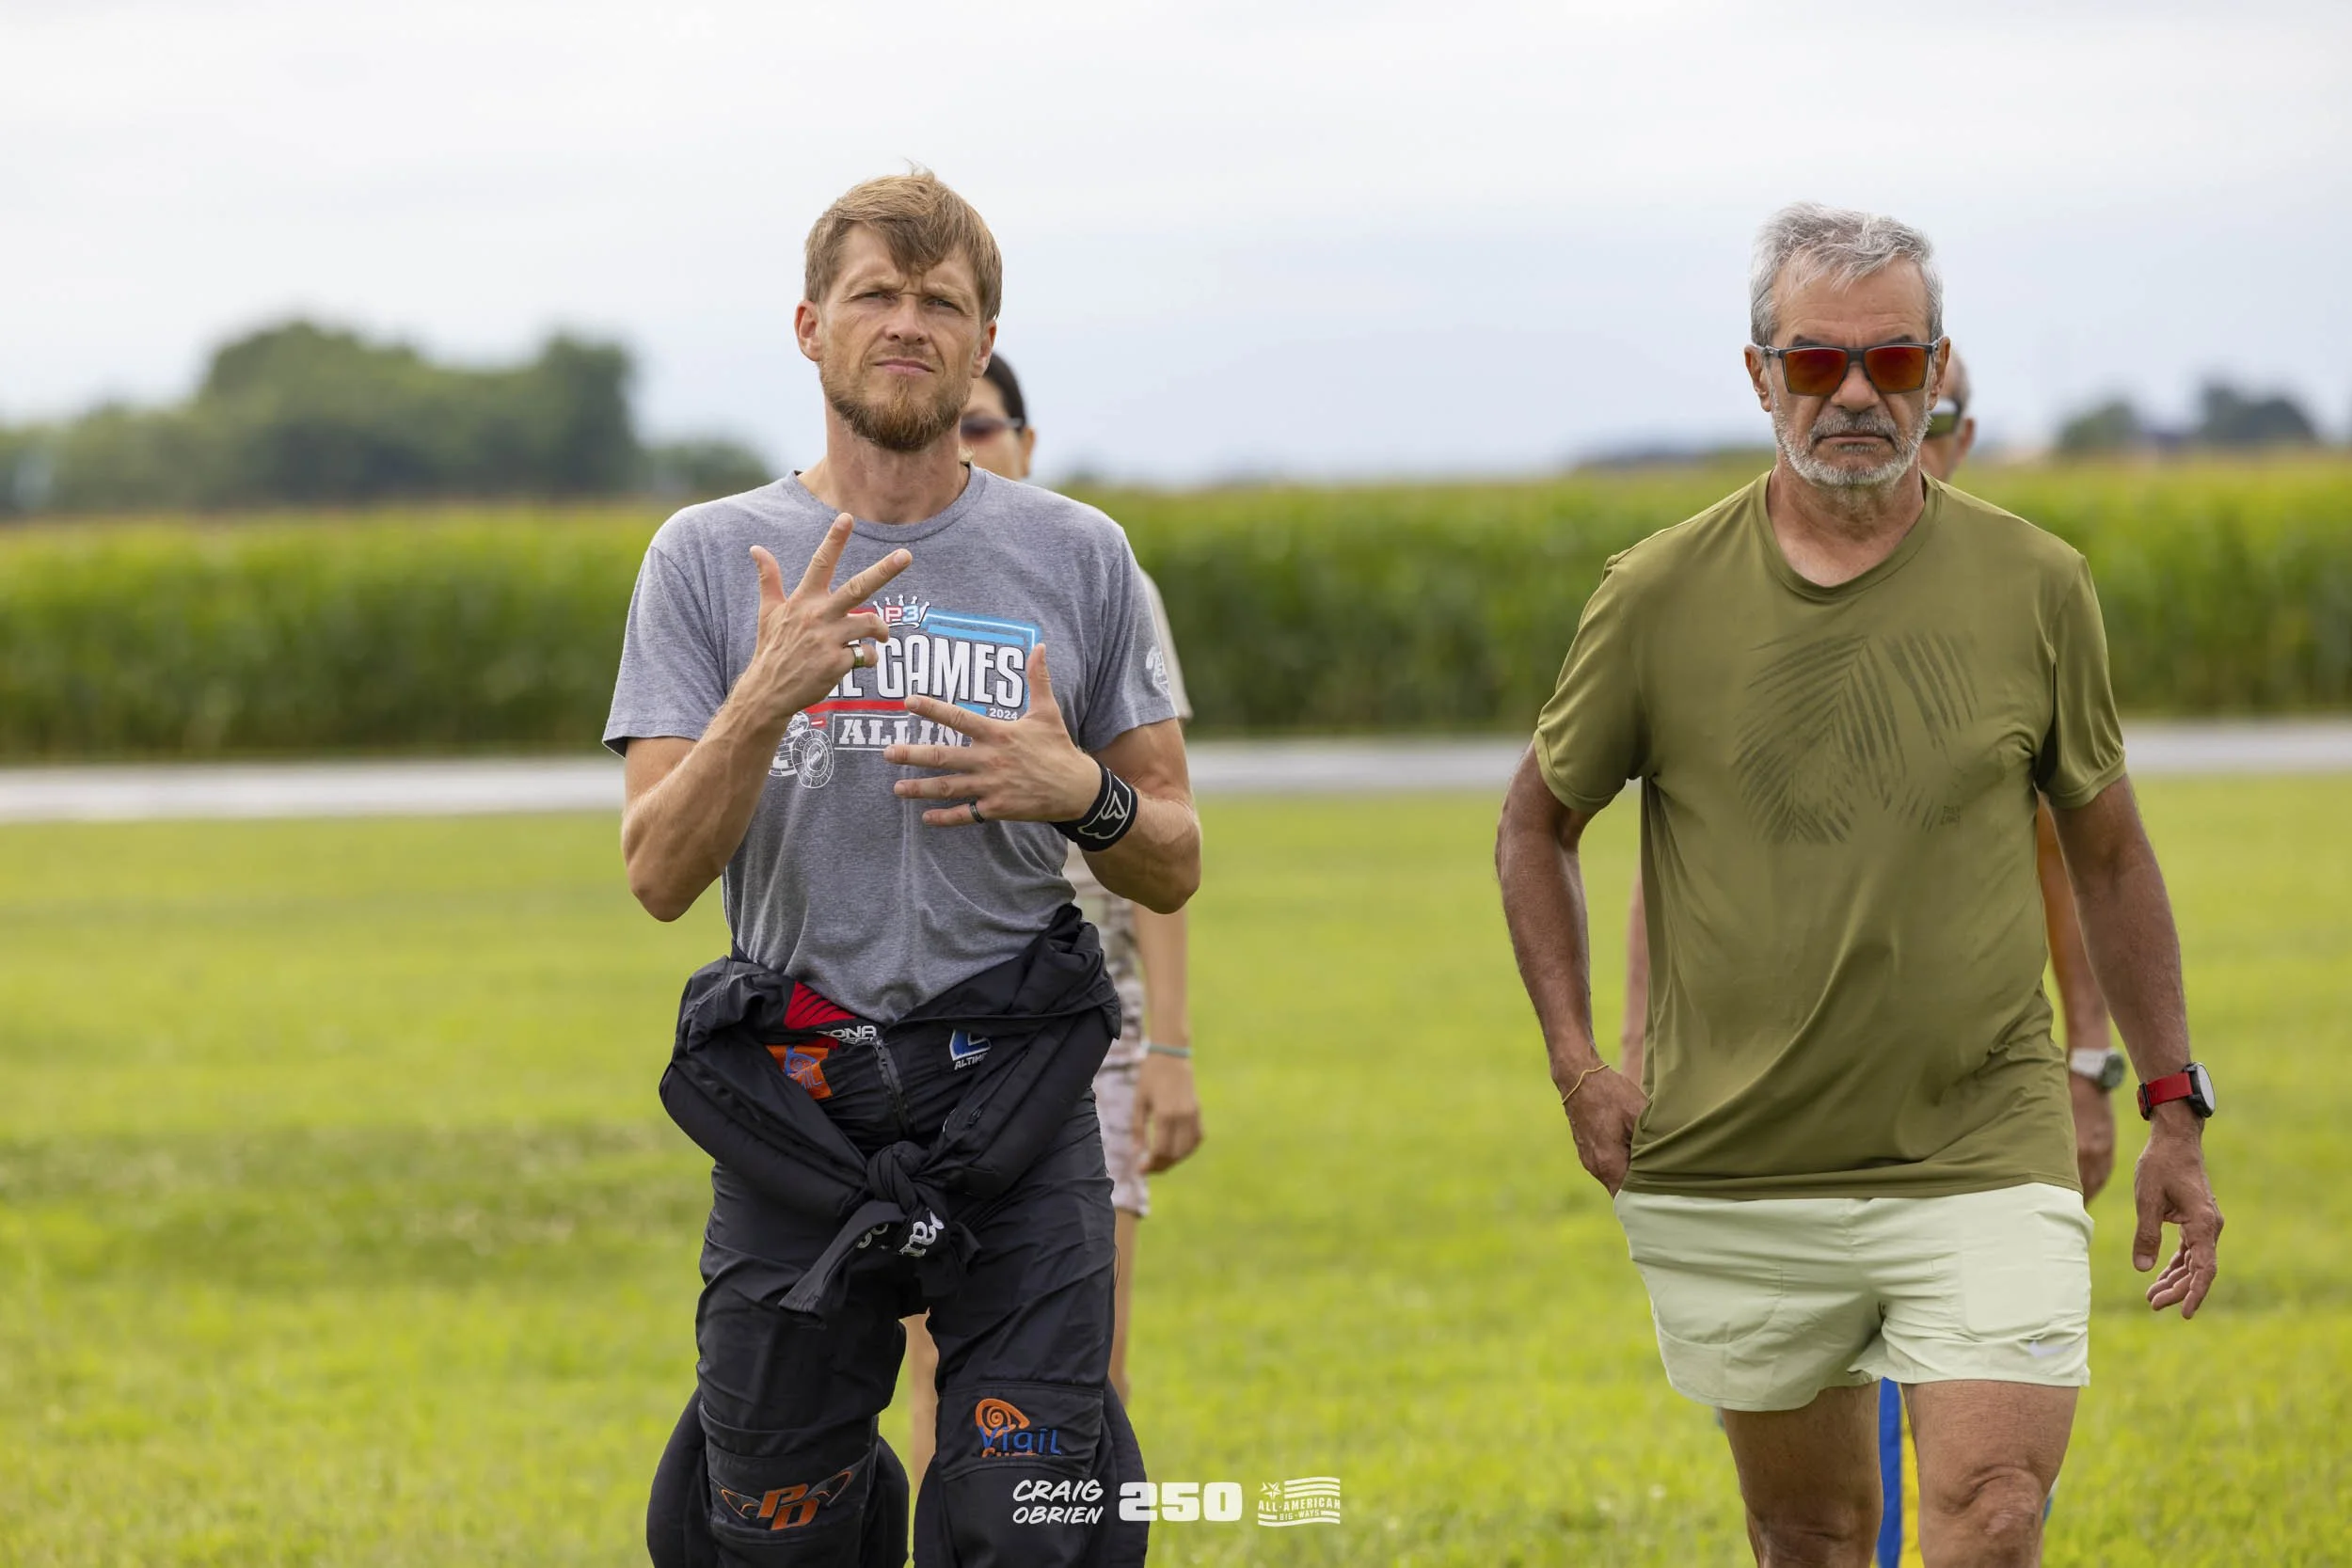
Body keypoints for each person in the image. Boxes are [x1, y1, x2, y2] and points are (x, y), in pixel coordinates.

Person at [1496, 202, 2223, 1566]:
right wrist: (1578, 1060)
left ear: (1937, 372)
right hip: (1737, 1158)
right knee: (1811, 1530)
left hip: (1979, 1145)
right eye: (1816, 361)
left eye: (1893, 364)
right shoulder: (1654, 593)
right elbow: (1536, 824)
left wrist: (2169, 1101)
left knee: (1993, 1510)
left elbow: (2112, 855)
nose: (1853, 394)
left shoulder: (2038, 584)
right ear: (1760, 372)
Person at [608, 170, 1198, 1566]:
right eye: (877, 294)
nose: (908, 324)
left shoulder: (1079, 556)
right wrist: (766, 693)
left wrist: (1085, 792)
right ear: (812, 326)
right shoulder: (707, 557)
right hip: (799, 1085)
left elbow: (1172, 854)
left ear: (984, 339)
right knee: (772, 1520)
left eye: (943, 302)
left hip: (1018, 1080)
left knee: (1026, 1514)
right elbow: (656, 870)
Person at [1613, 349, 2126, 1563]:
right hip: (1775, 1125)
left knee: (1984, 1474)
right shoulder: (1724, 596)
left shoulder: (2018, 593)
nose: (1912, 427)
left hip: (1970, 1112)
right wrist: (1637, 1054)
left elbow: (2081, 862)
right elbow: (1676, 865)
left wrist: (2095, 1064)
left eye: (1938, 408)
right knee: (1819, 1497)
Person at [901, 355, 1205, 1490]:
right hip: (934, 1023)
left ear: (1027, 439)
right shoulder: (891, 583)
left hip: (1088, 1012)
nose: (967, 445)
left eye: (985, 424)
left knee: (1082, 1365)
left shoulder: (1085, 566)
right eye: (952, 425)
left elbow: (1163, 838)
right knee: (936, 1363)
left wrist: (1167, 1047)